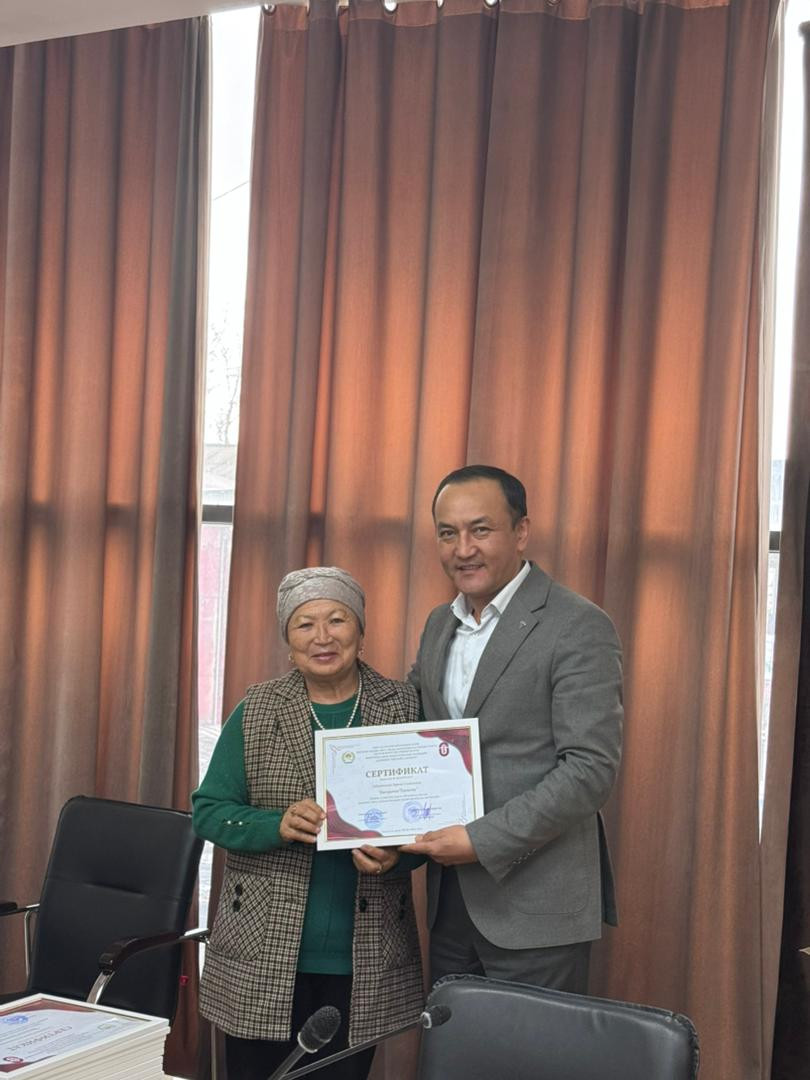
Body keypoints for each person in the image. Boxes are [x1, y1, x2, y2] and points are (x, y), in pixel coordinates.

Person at [193, 566, 424, 1080]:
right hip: (261, 951)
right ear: (288, 641)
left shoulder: (404, 706)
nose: (323, 636)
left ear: (360, 632)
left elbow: (430, 820)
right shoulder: (257, 709)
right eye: (305, 624)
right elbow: (208, 810)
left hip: (364, 954)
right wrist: (274, 825)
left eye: (337, 620)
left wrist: (398, 856)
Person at [401, 465, 622, 994]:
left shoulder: (578, 624)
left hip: (537, 909)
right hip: (450, 901)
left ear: (521, 532)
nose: (463, 549)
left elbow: (589, 770)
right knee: (451, 1044)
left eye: (481, 529)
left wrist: (480, 840)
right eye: (447, 533)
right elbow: (412, 737)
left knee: (533, 1044)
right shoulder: (439, 623)